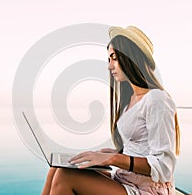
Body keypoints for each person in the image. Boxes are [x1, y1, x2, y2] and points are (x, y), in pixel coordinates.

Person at [41, 26, 180, 195]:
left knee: (66, 175)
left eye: (114, 58)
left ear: (131, 58)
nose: (109, 66)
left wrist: (113, 159)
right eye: (109, 59)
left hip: (147, 190)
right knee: (57, 168)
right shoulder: (131, 101)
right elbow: (140, 146)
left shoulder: (157, 99)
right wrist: (114, 153)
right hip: (126, 180)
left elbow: (165, 166)